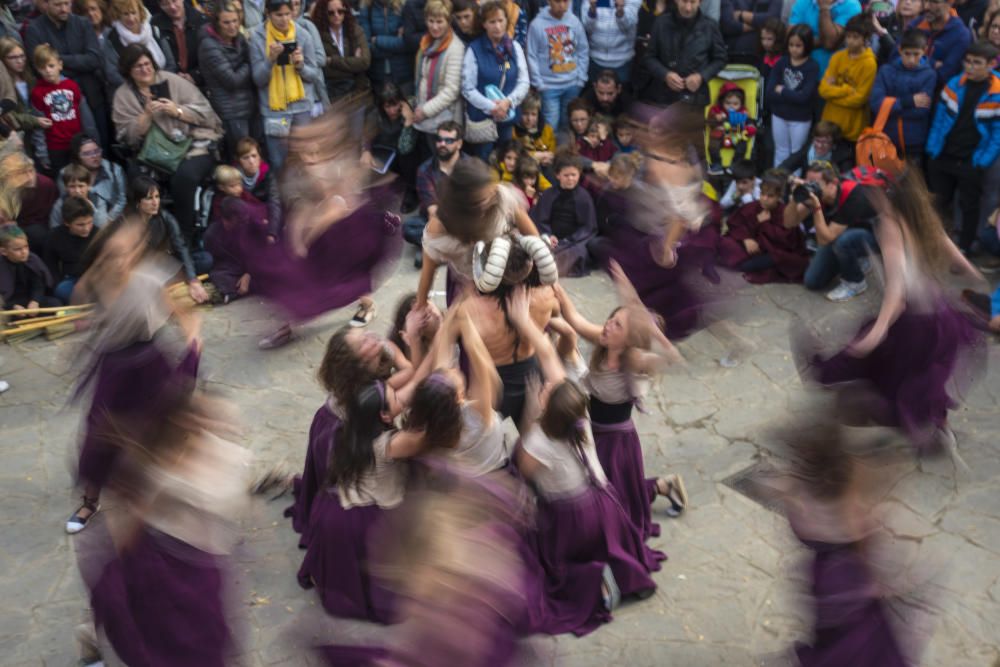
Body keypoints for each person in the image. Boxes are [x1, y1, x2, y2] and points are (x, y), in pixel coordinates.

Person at [797, 168, 986, 455]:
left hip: (913, 323)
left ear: (883, 196)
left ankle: (922, 429)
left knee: (884, 375)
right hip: (941, 318)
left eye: (872, 192)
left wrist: (879, 330)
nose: (869, 198)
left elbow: (897, 292)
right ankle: (934, 429)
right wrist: (974, 276)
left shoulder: (890, 223)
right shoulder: (922, 214)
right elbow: (954, 255)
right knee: (917, 375)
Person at [507, 286, 659, 635]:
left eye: (544, 390)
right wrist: (537, 325)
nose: (545, 386)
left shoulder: (538, 442)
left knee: (553, 561)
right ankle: (610, 568)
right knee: (600, 544)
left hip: (573, 516)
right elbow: (551, 359)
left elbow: (526, 478)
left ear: (546, 408)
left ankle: (596, 583)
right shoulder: (580, 419)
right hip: (608, 505)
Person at [553, 267, 686, 542]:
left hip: (616, 443)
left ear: (631, 340)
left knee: (613, 498)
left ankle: (663, 485)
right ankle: (663, 485)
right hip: (592, 430)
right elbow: (574, 319)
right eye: (611, 319)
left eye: (618, 325)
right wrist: (553, 283)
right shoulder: (603, 341)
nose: (608, 325)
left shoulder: (635, 361)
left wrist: (648, 325)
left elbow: (673, 357)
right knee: (605, 491)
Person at [283, 325, 402, 546]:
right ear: (355, 364)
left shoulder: (368, 383)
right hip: (332, 434)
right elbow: (411, 379)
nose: (371, 337)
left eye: (366, 333)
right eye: (362, 342)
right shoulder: (368, 393)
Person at [111, 44, 223, 241]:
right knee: (138, 180)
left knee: (184, 177)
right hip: (151, 152)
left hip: (192, 145)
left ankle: (185, 235)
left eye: (147, 64)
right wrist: (145, 117)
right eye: (138, 66)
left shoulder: (173, 81)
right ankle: (150, 235)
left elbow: (207, 113)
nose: (145, 69)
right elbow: (125, 135)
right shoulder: (123, 95)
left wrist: (178, 111)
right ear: (128, 70)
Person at [416, 156, 540, 307]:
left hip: (508, 273)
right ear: (462, 204)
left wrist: (541, 266)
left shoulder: (499, 195)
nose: (488, 203)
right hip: (469, 285)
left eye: (490, 197)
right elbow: (428, 272)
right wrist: (420, 306)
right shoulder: (440, 227)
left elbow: (533, 236)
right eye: (479, 202)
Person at [925, 40, 1000, 256]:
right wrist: (932, 148)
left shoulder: (997, 92)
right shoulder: (954, 84)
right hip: (943, 155)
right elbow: (939, 119)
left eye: (977, 63)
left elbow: (997, 135)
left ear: (991, 64)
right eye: (968, 61)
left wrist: (982, 162)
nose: (970, 66)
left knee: (969, 206)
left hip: (971, 160)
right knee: (937, 203)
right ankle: (931, 245)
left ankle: (964, 249)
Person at [784, 161, 881, 299]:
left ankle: (855, 282)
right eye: (808, 182)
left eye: (815, 184)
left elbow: (824, 239)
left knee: (842, 241)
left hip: (876, 234)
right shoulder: (818, 194)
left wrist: (816, 208)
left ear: (833, 183)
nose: (811, 188)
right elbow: (789, 223)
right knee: (812, 281)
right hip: (846, 228)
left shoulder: (853, 194)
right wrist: (795, 198)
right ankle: (855, 258)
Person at [24, 0, 110, 148]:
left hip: (92, 94)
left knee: (101, 144)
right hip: (58, 103)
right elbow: (39, 66)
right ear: (47, 4)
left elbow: (94, 59)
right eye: (58, 5)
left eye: (67, 3)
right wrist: (78, 62)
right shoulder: (34, 29)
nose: (64, 9)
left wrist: (57, 58)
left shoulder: (82, 23)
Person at [249, 0, 323, 170]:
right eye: (278, 15)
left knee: (306, 161)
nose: (284, 19)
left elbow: (314, 75)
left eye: (287, 14)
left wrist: (301, 66)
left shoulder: (303, 35)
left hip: (301, 107)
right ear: (268, 14)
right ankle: (283, 197)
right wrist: (270, 60)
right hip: (274, 110)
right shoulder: (257, 37)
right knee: (279, 162)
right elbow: (258, 79)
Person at [461, 0, 531, 159]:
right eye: (492, 22)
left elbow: (523, 81)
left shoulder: (515, 47)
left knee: (505, 160)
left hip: (507, 116)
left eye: (500, 21)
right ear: (484, 24)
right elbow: (467, 88)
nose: (497, 26)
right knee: (483, 162)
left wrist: (507, 102)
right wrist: (492, 107)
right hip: (482, 119)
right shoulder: (474, 49)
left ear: (507, 21)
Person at [718, 171, 810, 282]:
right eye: (762, 194)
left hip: (771, 253)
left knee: (745, 266)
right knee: (723, 242)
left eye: (770, 196)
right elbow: (736, 224)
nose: (764, 198)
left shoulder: (784, 212)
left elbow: (784, 241)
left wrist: (764, 224)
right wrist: (746, 238)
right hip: (750, 246)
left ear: (779, 197)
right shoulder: (753, 206)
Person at [199, 1, 257, 162]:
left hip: (248, 105)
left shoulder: (238, 38)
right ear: (217, 23)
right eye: (226, 22)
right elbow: (232, 80)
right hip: (231, 111)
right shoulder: (208, 46)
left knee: (255, 156)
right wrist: (252, 62)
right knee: (241, 158)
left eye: (235, 21)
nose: (232, 26)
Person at [639, 0, 727, 107]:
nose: (688, 8)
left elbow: (720, 59)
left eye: (693, 2)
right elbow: (649, 57)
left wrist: (701, 77)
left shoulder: (710, 26)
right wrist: (665, 74)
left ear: (700, 2)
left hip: (695, 98)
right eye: (684, 1)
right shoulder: (661, 23)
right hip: (663, 96)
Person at [869, 29, 936, 162]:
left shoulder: (929, 75)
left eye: (916, 54)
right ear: (900, 50)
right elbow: (876, 104)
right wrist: (909, 101)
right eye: (907, 54)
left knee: (913, 181)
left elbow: (921, 111)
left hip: (913, 142)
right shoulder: (886, 71)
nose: (911, 59)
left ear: (925, 50)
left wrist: (889, 107)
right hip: (886, 138)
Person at [406, 120, 467, 268]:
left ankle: (434, 250)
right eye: (439, 140)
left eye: (449, 140)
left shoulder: (470, 167)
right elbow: (433, 211)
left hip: (464, 219)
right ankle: (450, 249)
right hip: (436, 219)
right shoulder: (425, 170)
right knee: (409, 228)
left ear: (459, 143)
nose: (442, 144)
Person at [29, 43, 98, 174]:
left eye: (51, 66)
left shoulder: (72, 85)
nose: (48, 70)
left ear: (60, 65)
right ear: (37, 69)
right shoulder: (37, 93)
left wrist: (93, 139)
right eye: (43, 67)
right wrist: (42, 153)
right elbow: (38, 126)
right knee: (63, 180)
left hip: (78, 143)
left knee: (83, 177)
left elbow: (86, 116)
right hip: (55, 147)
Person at [525, 0, 588, 133]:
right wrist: (539, 83)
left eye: (565, 1)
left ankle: (567, 151)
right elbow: (532, 55)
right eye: (557, 1)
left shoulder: (574, 21)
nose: (562, 5)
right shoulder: (537, 25)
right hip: (549, 86)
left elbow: (583, 50)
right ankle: (549, 152)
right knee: (550, 125)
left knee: (570, 125)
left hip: (572, 84)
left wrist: (581, 78)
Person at [530, 151, 596, 277]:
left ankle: (553, 267)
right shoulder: (549, 194)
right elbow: (540, 219)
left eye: (573, 175)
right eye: (566, 175)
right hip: (551, 239)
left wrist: (569, 240)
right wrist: (548, 235)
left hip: (574, 241)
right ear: (557, 175)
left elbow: (588, 227)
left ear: (579, 174)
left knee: (579, 253)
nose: (570, 179)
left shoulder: (584, 197)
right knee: (540, 248)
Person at [412, 0, 465, 152]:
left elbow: (452, 90)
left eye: (440, 21)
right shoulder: (427, 42)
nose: (434, 26)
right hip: (426, 117)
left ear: (448, 21)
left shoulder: (455, 48)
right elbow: (422, 77)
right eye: (431, 21)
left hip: (444, 120)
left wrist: (425, 110)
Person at [818, 12, 877, 143]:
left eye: (855, 37)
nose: (850, 41)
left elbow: (859, 99)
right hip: (829, 123)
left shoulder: (869, 63)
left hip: (852, 128)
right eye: (848, 36)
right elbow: (822, 90)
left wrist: (833, 92)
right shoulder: (837, 57)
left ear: (865, 39)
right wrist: (846, 90)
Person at [766, 24, 820, 167]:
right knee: (780, 151)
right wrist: (793, 96)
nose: (794, 49)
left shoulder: (812, 67)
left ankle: (792, 185)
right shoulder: (782, 62)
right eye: (791, 45)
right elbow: (770, 92)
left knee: (796, 154)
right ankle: (777, 182)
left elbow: (804, 97)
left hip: (800, 119)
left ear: (807, 46)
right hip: (779, 115)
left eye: (798, 45)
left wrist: (783, 91)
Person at [101, 0, 177, 96]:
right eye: (126, 14)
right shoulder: (112, 40)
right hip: (131, 93)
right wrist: (139, 87)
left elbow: (171, 63)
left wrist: (159, 83)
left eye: (134, 13)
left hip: (163, 85)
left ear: (140, 12)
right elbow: (112, 73)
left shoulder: (154, 31)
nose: (131, 18)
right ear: (118, 15)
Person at [0, 37, 51, 166]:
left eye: (22, 56)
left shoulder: (32, 79)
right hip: (20, 137)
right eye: (13, 57)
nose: (20, 61)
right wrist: (34, 120)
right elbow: (9, 116)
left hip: (42, 136)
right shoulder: (4, 87)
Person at [56, 133, 126, 223]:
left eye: (97, 151)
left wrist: (108, 219)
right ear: (78, 156)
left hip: (110, 219)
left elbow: (121, 199)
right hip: (77, 219)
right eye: (87, 153)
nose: (94, 156)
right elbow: (65, 200)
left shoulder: (114, 169)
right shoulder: (65, 173)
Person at [313, 0, 371, 100]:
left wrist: (332, 61)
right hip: (331, 92)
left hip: (357, 90)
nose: (336, 15)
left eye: (340, 11)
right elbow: (324, 68)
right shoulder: (317, 34)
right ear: (324, 13)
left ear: (346, 10)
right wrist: (353, 63)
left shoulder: (355, 30)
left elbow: (365, 62)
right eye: (331, 13)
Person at [909, 0, 972, 89]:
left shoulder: (960, 35)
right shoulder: (916, 24)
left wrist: (911, 60)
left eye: (934, 2)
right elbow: (896, 57)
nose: (926, 7)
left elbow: (944, 75)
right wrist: (932, 62)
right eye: (924, 1)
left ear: (949, 4)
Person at [787, 0, 862, 74]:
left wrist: (824, 8)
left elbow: (829, 43)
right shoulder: (803, 2)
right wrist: (821, 40)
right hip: (797, 72)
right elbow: (791, 37)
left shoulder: (852, 6)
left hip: (830, 77)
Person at [44, 194, 95, 301]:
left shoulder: (98, 234)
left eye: (89, 222)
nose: (86, 228)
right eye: (80, 225)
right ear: (67, 223)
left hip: (95, 278)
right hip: (71, 280)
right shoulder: (54, 236)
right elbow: (51, 267)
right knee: (61, 290)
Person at [233, 136, 283, 240]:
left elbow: (274, 202)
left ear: (259, 157)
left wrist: (271, 232)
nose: (251, 161)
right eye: (245, 157)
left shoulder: (268, 174)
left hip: (264, 217)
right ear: (238, 160)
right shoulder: (232, 176)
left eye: (254, 156)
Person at [580, 0, 639, 83]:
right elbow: (586, 28)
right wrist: (592, 9)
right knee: (594, 94)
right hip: (595, 59)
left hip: (622, 61)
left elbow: (628, 27)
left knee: (621, 94)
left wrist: (620, 11)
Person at [359, 0, 411, 92]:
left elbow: (407, 43)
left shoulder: (404, 7)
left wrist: (378, 40)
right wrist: (395, 45)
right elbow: (366, 47)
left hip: (403, 74)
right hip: (377, 75)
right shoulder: (366, 9)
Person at [0, 224, 56, 310]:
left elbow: (37, 285)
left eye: (26, 247)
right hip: (9, 303)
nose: (24, 252)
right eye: (17, 249)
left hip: (29, 299)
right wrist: (12, 306)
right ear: (4, 251)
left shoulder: (32, 260)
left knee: (54, 303)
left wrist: (35, 301)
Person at [706, 81, 757, 174]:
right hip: (720, 136)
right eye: (728, 103)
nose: (731, 106)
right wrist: (716, 118)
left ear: (741, 104)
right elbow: (710, 123)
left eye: (735, 104)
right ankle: (717, 164)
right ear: (722, 101)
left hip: (736, 135)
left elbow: (751, 125)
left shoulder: (743, 112)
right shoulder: (716, 110)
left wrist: (748, 129)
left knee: (743, 144)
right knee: (713, 145)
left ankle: (735, 165)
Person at [152, 0, 207, 84]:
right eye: (165, 4)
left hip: (201, 80)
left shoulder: (201, 20)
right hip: (170, 80)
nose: (172, 7)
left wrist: (194, 75)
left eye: (174, 1)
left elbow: (210, 56)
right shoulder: (155, 25)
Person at [777, 119, 854, 176]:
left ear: (834, 143)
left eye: (825, 142)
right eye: (817, 141)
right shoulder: (807, 150)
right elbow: (784, 167)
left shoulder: (844, 157)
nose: (820, 146)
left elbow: (846, 181)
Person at [718, 0, 782, 65]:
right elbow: (728, 25)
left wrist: (741, 15)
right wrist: (757, 24)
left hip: (759, 55)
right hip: (730, 53)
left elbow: (772, 19)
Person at [49, 162, 109, 229]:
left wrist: (93, 209)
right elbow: (54, 228)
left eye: (81, 186)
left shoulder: (98, 201)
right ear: (66, 188)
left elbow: (103, 227)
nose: (77, 191)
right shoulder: (60, 205)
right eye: (72, 186)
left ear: (88, 186)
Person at [513, 90, 556, 170]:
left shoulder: (547, 129)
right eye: (525, 114)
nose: (529, 119)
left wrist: (546, 158)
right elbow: (514, 155)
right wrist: (536, 155)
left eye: (533, 114)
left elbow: (552, 152)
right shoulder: (513, 131)